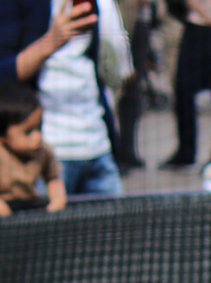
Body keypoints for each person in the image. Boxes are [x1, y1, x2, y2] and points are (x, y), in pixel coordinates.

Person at [0, 0, 131, 198]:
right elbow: (4, 72)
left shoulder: (98, 5)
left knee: (116, 228)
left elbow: (104, 70)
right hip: (47, 154)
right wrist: (50, 42)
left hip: (98, 147)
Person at [160, 0, 211, 168]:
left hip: (201, 28)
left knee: (188, 90)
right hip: (194, 25)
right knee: (185, 93)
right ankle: (189, 151)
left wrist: (208, 14)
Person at [0, 76, 63, 213]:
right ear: (3, 136)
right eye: (28, 132)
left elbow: (53, 177)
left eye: (39, 128)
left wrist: (57, 201)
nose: (37, 137)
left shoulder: (43, 151)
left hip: (29, 210)